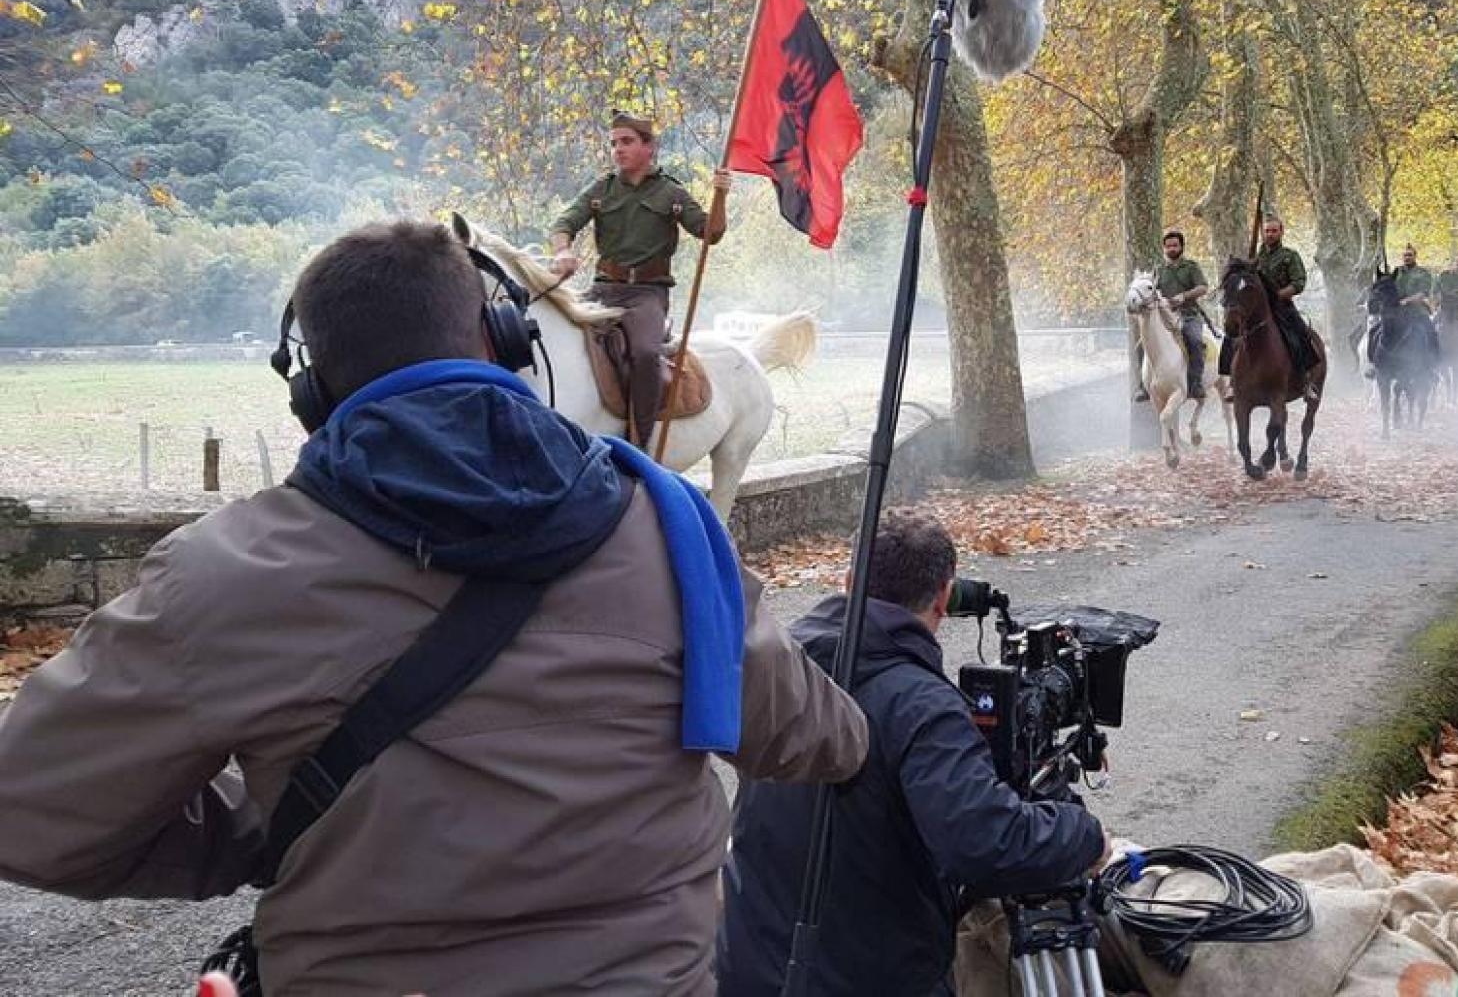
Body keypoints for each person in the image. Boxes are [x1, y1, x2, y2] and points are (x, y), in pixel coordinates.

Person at [0, 220, 867, 996]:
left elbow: (27, 814)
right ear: (505, 338)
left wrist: (268, 822)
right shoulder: (671, 528)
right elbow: (819, 739)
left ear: (310, 393)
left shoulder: (219, 572)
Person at [718, 511, 1110, 997]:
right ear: (944, 598)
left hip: (751, 968)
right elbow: (984, 844)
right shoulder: (922, 705)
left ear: (849, 582)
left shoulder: (786, 665)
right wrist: (1085, 836)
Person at [549, 111, 731, 445]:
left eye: (627, 142)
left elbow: (710, 232)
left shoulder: (671, 193)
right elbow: (564, 223)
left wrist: (721, 195)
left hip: (646, 294)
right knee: (558, 334)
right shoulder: (601, 189)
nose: (618, 149)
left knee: (645, 355)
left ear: (650, 147)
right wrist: (562, 252)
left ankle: (639, 441)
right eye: (614, 143)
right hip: (602, 289)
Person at [1219, 217, 1321, 400]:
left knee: (1301, 334)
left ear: (1281, 232)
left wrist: (1278, 295)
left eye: (1274, 231)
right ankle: (1232, 383)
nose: (1270, 234)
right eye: (1267, 231)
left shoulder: (1290, 256)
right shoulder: (1255, 258)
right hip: (1254, 308)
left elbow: (1298, 283)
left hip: (1281, 306)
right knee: (1231, 334)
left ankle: (1306, 381)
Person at [1153, 230, 1210, 399]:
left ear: (1182, 247)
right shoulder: (1158, 270)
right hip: (1164, 317)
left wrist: (1184, 296)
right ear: (1164, 248)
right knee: (1143, 343)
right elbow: (1152, 291)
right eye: (1168, 246)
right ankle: (1144, 385)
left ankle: (1195, 383)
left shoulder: (1191, 267)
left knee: (1195, 340)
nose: (1171, 249)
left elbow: (1203, 287)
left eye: (1175, 245)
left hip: (1188, 315)